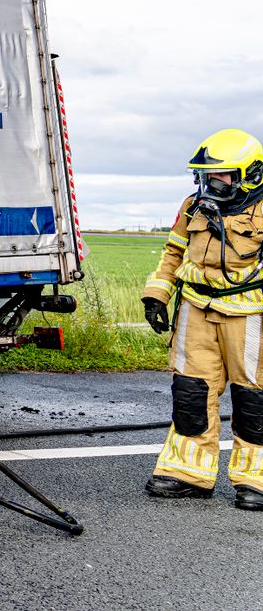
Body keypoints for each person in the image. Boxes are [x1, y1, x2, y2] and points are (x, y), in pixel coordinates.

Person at [141, 128, 263, 510]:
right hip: (195, 311)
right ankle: (187, 473)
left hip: (249, 315)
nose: (212, 182)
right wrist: (156, 295)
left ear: (251, 174)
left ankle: (254, 480)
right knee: (191, 394)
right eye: (207, 175)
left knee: (254, 401)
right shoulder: (194, 206)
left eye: (222, 175)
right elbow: (173, 252)